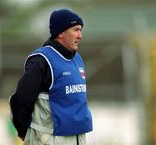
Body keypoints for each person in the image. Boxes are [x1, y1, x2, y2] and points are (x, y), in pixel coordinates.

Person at [9, 9, 93, 145]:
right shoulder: (41, 60)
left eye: (81, 30)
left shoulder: (77, 59)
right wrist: (27, 133)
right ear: (60, 32)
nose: (80, 36)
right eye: (76, 30)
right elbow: (20, 101)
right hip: (49, 139)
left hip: (78, 138)